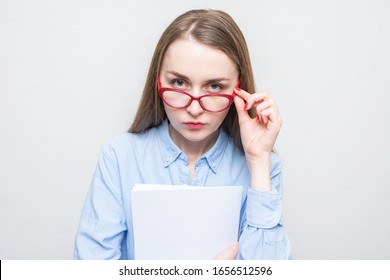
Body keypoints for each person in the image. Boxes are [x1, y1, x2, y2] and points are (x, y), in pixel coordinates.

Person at [74, 9, 291, 260]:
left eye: (214, 86)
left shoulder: (264, 167)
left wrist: (258, 160)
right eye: (179, 82)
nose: (195, 108)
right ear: (158, 81)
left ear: (238, 89)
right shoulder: (120, 157)